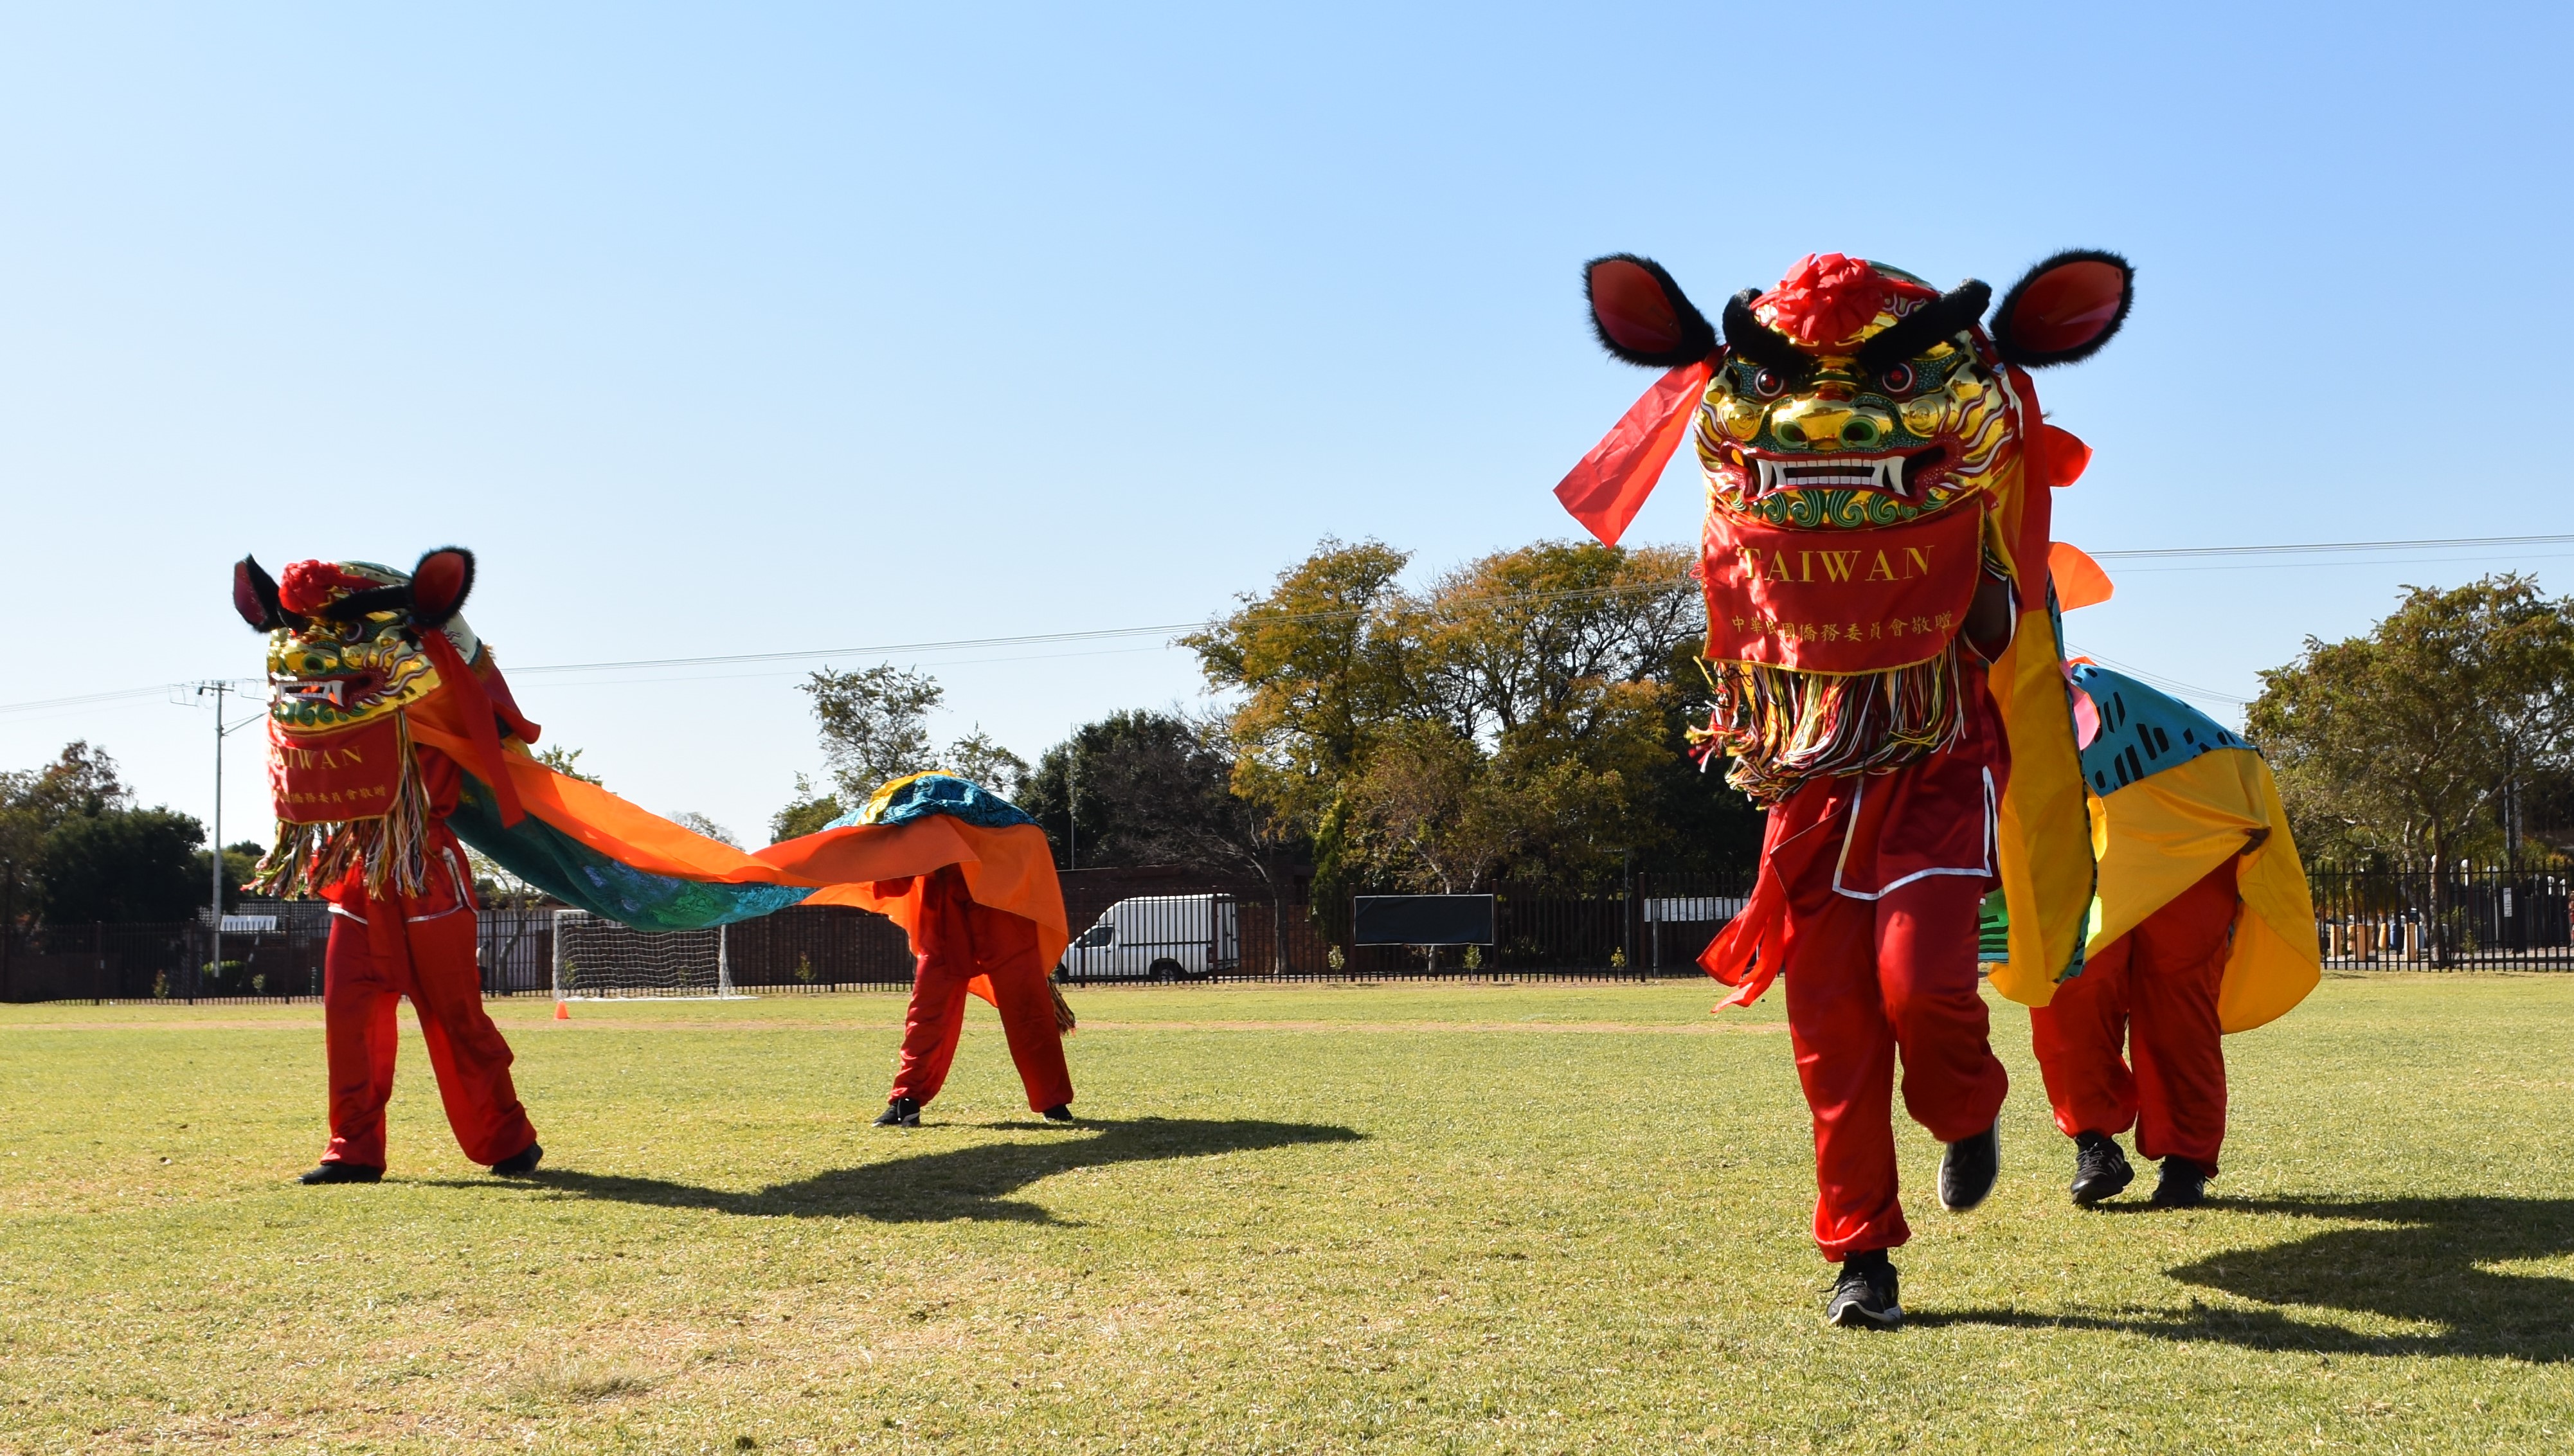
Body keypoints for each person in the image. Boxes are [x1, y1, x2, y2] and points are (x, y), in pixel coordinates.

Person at [1555, 249, 2136, 1327]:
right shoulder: (1750, 535)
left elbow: (2002, 627)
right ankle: (1859, 1255)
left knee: (1919, 987)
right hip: (1812, 788)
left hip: (1932, 767)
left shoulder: (1970, 527)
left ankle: (1966, 1108)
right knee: (1830, 1036)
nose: (1828, 424)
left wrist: (1955, 558)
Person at [232, 550, 543, 1183]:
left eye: (343, 630)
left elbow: (506, 725)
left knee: (454, 1013)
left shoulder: (434, 687)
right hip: (352, 867)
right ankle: (353, 1147)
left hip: (424, 867)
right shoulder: (313, 700)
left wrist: (453, 633)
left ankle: (507, 1140)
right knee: (350, 1014)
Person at [2025, 661, 2319, 1210]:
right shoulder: (2019, 702)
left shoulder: (2062, 694)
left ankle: (2183, 1161)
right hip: (2101, 844)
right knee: (2075, 984)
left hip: (2187, 845)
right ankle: (2097, 1144)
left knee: (2175, 999)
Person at [753, 771, 1076, 1128]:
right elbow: (894, 873)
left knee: (1015, 999)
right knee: (938, 1004)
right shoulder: (931, 820)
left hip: (996, 906)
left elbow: (890, 876)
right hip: (953, 911)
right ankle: (910, 1099)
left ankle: (1052, 1102)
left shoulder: (932, 819)